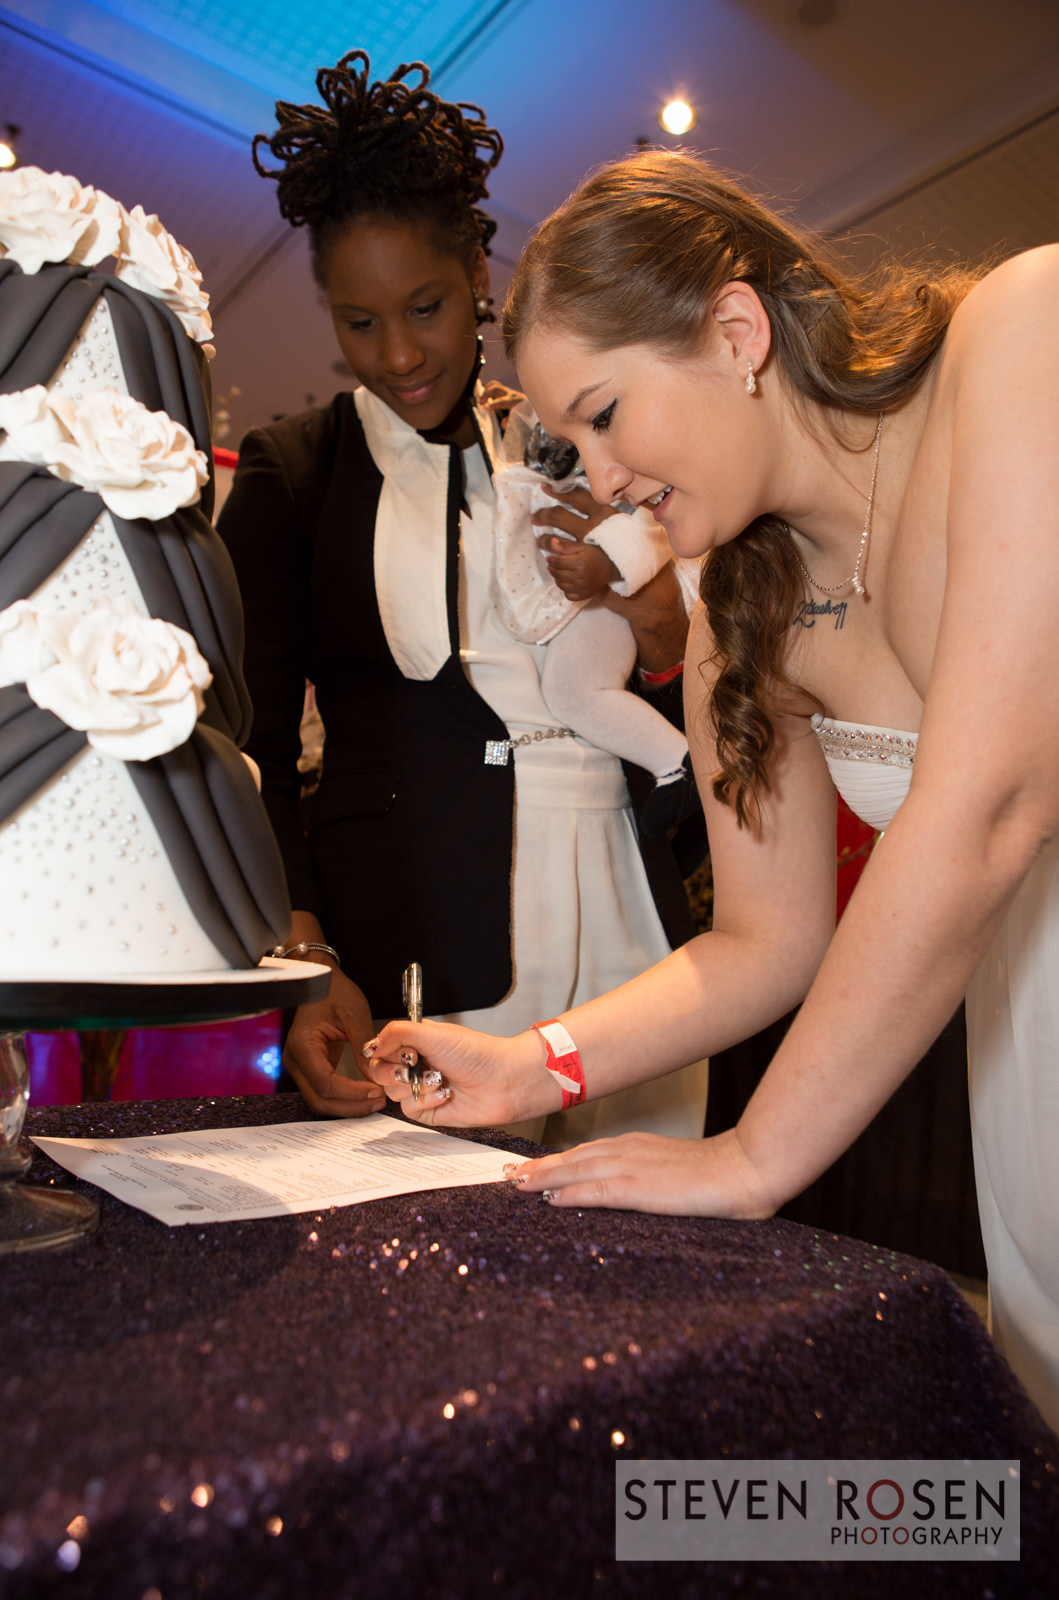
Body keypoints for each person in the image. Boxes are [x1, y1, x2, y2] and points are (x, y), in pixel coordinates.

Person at [364, 148, 1059, 1433]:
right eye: (569, 442)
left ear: (733, 330)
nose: (599, 477)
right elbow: (760, 939)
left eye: (604, 413)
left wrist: (751, 1156)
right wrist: (534, 1066)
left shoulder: (1025, 332)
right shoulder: (738, 615)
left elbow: (992, 805)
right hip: (1033, 1071)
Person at [218, 59, 708, 1146]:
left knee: (658, 1231)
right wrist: (307, 957)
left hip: (629, 898)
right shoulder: (294, 472)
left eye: (427, 307)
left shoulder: (576, 435)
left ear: (479, 271)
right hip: (418, 929)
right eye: (358, 321)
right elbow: (246, 743)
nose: (398, 353)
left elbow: (684, 660)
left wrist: (652, 611)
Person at [490, 408, 701, 837]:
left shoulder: (619, 436)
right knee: (573, 690)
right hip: (510, 775)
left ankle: (677, 764)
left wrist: (610, 559)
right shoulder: (522, 423)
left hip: (618, 582)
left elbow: (655, 512)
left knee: (573, 691)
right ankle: (676, 765)